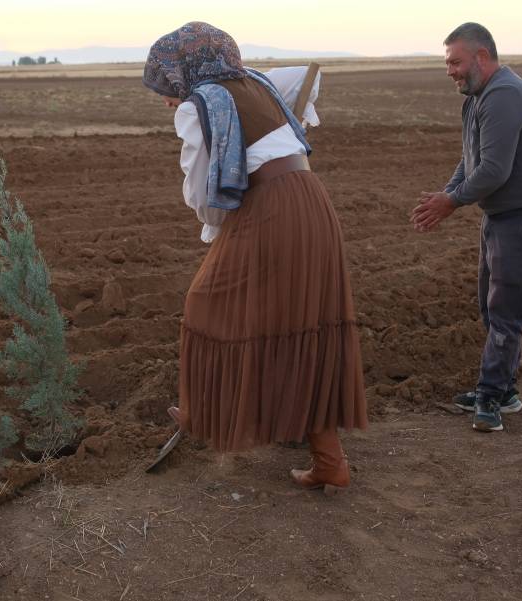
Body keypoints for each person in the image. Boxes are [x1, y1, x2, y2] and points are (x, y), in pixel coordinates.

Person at [143, 22, 367, 493]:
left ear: (187, 71)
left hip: (272, 207)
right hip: (310, 198)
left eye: (168, 82)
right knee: (300, 321)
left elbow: (204, 192)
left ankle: (205, 411)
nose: (167, 96)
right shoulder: (259, 82)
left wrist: (215, 224)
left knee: (206, 301)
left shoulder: (198, 107)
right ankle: (330, 461)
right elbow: (306, 75)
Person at [410, 22, 522, 433]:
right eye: (448, 63)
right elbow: (472, 159)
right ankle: (505, 389)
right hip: (504, 213)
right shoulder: (478, 98)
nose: (450, 71)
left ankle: (492, 395)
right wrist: (446, 195)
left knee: (504, 309)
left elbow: (494, 170)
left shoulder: (504, 96)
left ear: (482, 56)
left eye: (455, 62)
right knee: (490, 302)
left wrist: (452, 202)